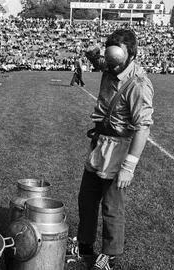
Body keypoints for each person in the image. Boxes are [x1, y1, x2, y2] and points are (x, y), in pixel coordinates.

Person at [69, 29, 154, 270]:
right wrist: (93, 52)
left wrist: (129, 166)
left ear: (131, 55)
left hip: (119, 150)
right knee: (86, 200)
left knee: (112, 206)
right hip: (100, 145)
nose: (113, 65)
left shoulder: (138, 84)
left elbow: (143, 128)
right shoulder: (111, 65)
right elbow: (99, 62)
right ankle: (84, 245)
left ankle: (110, 254)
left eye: (118, 60)